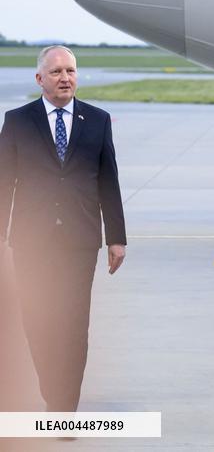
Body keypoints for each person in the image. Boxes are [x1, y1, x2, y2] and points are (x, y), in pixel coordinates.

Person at [0, 46, 126, 413]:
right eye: (55, 72)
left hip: (80, 240)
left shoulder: (97, 120)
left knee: (73, 324)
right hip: (31, 240)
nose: (65, 78)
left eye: (70, 70)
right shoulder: (17, 121)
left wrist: (116, 238)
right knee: (37, 320)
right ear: (40, 79)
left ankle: (64, 407)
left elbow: (109, 181)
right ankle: (52, 390)